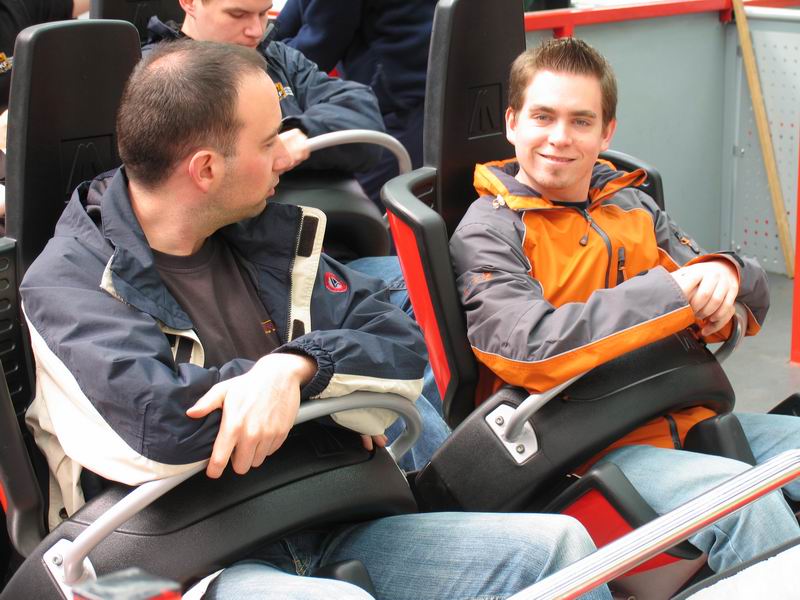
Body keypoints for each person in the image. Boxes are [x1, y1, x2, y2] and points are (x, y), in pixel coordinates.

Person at [19, 39, 610, 600]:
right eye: (268, 142)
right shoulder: (68, 284)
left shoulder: (262, 234)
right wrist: (337, 403)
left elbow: (399, 342)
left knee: (559, 546)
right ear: (206, 169)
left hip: (324, 510)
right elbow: (160, 429)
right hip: (189, 559)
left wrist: (294, 370)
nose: (286, 154)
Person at [449, 37, 800, 574]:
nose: (560, 138)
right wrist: (672, 295)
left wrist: (727, 276)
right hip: (584, 446)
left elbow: (728, 286)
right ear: (513, 123)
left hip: (681, 413)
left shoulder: (630, 204)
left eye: (581, 121)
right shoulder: (489, 231)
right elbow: (527, 346)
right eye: (543, 117)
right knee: (748, 506)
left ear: (606, 132)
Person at [144, 0, 384, 177]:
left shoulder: (279, 59)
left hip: (313, 221)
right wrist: (267, 146)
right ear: (189, 3)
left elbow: (362, 114)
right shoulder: (150, 75)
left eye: (263, 14)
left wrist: (300, 132)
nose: (256, 31)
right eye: (237, 14)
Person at [273, 0, 436, 211]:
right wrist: (268, 42)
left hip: (397, 96)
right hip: (416, 73)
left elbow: (321, 44)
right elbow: (294, 14)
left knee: (368, 213)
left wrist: (262, 59)